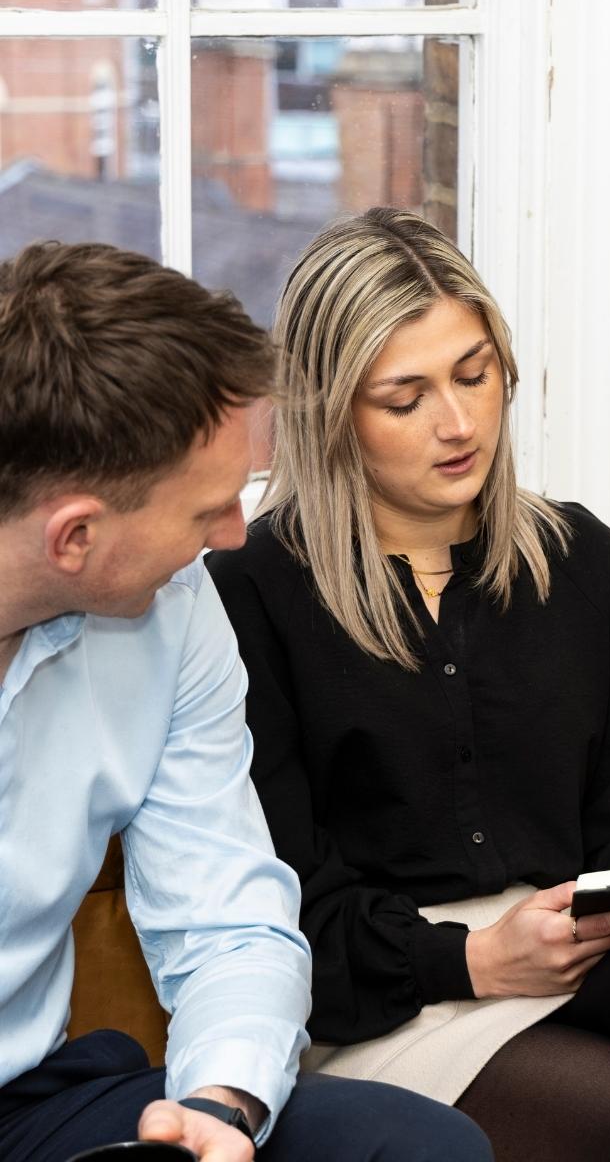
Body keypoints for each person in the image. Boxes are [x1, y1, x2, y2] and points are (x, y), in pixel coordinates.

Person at [204, 207, 610, 1162]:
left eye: (475, 375)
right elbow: (274, 906)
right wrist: (469, 957)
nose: (460, 422)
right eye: (406, 397)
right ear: (329, 410)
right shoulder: (249, 596)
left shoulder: (579, 560)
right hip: (392, 999)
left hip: (579, 947)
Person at [0, 240, 493, 1162]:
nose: (236, 533)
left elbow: (227, 918)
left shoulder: (175, 611)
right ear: (75, 535)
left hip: (31, 1101)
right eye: (204, 513)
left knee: (419, 1148)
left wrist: (220, 1112)